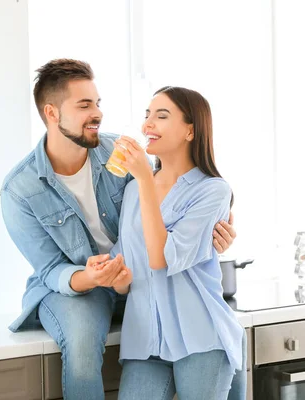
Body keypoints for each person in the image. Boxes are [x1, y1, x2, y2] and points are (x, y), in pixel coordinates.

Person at [0, 59, 237, 400]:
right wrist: (95, 277)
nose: (96, 113)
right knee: (81, 344)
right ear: (52, 113)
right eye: (84, 106)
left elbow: (179, 202)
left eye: (97, 103)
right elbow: (51, 269)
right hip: (82, 284)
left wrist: (213, 235)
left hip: (158, 297)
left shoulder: (119, 155)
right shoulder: (19, 190)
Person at [110, 86, 246, 400]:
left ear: (190, 130)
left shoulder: (212, 191)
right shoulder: (132, 192)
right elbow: (127, 266)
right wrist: (115, 277)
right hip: (145, 339)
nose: (147, 126)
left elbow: (162, 259)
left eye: (161, 116)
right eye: (146, 117)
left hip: (200, 335)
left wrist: (144, 179)